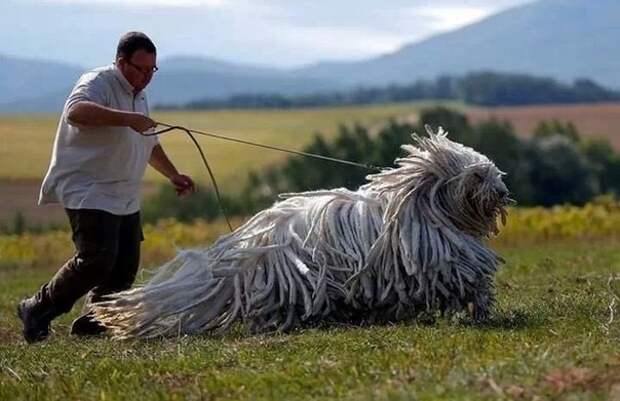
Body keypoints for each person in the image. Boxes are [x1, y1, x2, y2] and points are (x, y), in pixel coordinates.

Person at [17, 31, 196, 343]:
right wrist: (127, 118)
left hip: (125, 193)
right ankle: (37, 308)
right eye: (139, 69)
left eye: (151, 70)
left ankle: (94, 322)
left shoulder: (139, 94)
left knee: (125, 267)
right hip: (89, 187)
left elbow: (148, 144)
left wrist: (173, 174)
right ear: (120, 61)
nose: (145, 77)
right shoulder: (97, 82)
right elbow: (76, 112)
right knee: (97, 259)